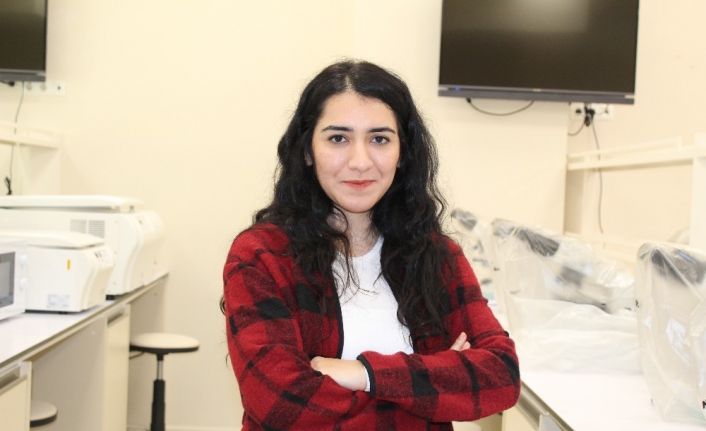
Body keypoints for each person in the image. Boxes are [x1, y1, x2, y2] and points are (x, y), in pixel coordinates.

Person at [222, 60, 520, 430]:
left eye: (379, 139)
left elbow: (501, 375)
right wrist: (432, 386)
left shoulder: (436, 255)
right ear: (307, 151)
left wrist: (361, 374)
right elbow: (281, 404)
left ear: (403, 152)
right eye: (338, 138)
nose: (360, 162)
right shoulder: (262, 256)